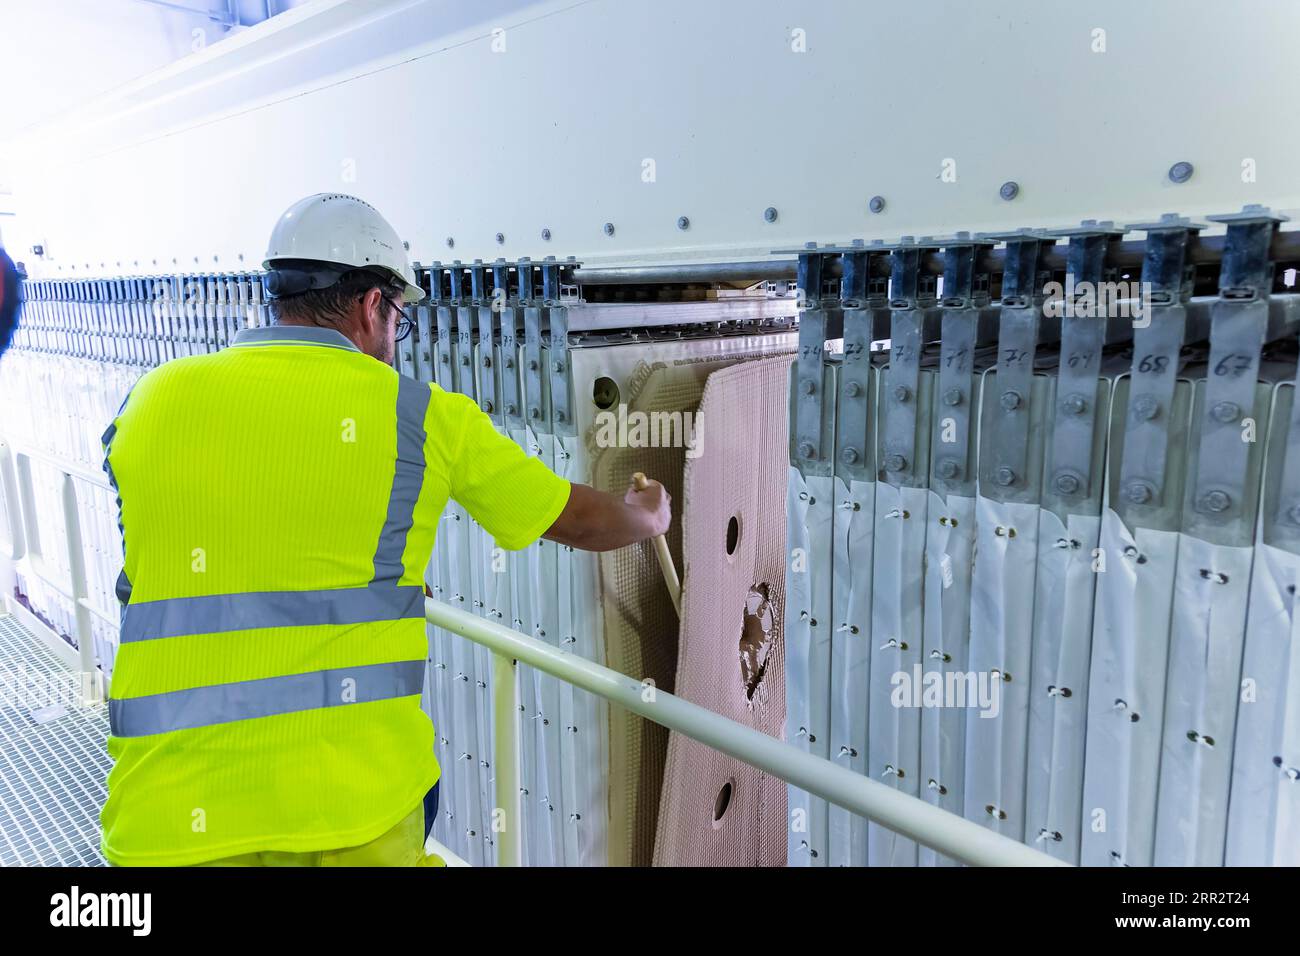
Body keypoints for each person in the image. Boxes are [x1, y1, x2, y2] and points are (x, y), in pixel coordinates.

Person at [99, 193, 671, 866]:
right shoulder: (422, 416)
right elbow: (576, 520)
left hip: (165, 817)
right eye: (398, 318)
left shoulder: (151, 398)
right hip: (349, 815)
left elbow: (147, 568)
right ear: (373, 306)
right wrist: (648, 512)